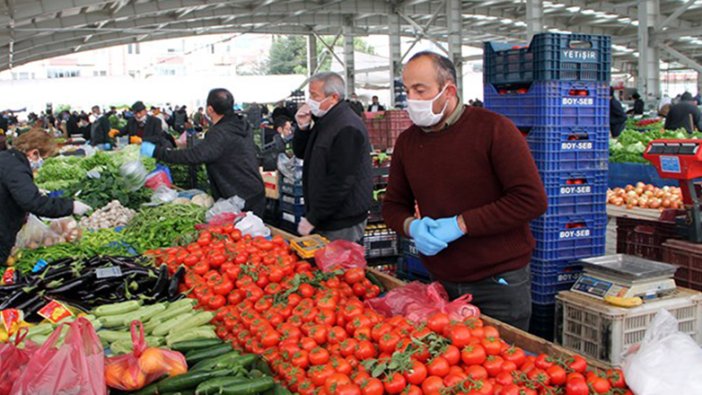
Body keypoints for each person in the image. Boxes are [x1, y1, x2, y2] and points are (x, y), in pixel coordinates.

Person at [381, 51, 547, 330]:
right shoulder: (408, 142)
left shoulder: (494, 130)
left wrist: (462, 224)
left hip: (498, 283)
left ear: (449, 91)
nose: (412, 99)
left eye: (420, 90)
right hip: (441, 282)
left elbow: (530, 200)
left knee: (502, 365)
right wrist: (412, 227)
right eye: (407, 90)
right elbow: (392, 206)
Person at [140, 88, 266, 217]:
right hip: (253, 190)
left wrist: (157, 152)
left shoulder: (220, 133)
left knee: (246, 234)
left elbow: (194, 155)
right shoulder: (240, 124)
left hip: (240, 197)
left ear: (210, 109)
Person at [293, 72, 372, 243]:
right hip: (327, 215)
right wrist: (303, 127)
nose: (309, 101)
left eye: (314, 96)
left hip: (342, 221)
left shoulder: (347, 127)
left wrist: (313, 217)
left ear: (334, 97)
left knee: (339, 266)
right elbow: (302, 153)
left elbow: (341, 180)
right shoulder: (325, 120)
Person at [0, 130, 91, 265]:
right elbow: (33, 202)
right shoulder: (16, 167)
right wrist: (71, 206)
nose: (41, 163)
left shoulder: (7, 159)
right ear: (34, 153)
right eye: (45, 158)